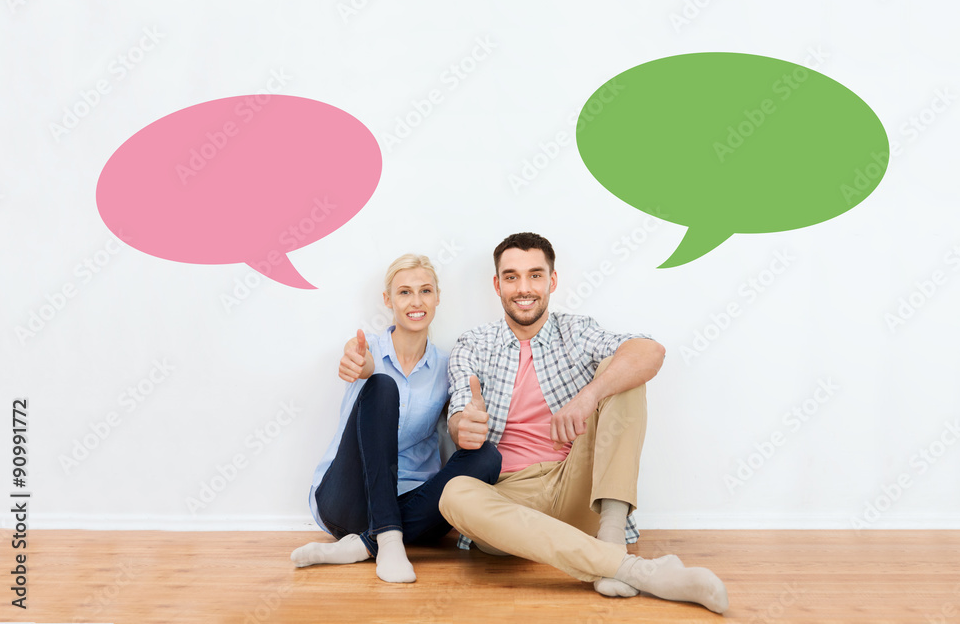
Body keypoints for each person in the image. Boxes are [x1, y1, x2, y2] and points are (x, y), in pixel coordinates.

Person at [438, 233, 729, 613]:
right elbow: (461, 409)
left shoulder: (576, 331)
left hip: (575, 483)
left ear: (552, 281)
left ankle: (611, 535)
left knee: (621, 370)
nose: (523, 288)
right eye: (511, 277)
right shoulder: (473, 344)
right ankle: (632, 569)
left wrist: (589, 395)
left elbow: (650, 351)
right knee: (454, 493)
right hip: (511, 499)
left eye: (535, 275)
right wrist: (463, 425)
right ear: (497, 285)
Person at [292, 254, 501, 583]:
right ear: (388, 300)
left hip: (414, 503)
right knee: (383, 385)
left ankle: (365, 545)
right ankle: (388, 539)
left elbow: (458, 421)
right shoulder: (368, 349)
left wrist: (468, 423)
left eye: (425, 291)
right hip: (347, 501)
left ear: (437, 297)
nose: (416, 301)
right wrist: (359, 364)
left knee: (487, 457)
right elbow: (358, 357)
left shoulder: (448, 366)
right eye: (404, 292)